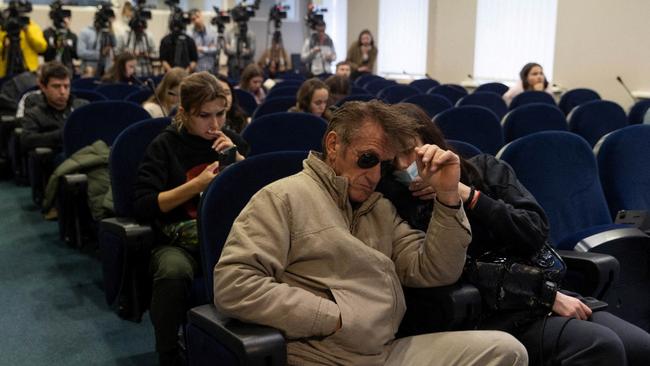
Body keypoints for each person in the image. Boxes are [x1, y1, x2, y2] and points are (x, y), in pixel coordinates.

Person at [214, 99, 527, 366]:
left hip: (384, 353)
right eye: (367, 160)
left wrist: (448, 198)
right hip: (323, 356)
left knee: (507, 351)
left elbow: (436, 271)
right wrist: (333, 317)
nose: (375, 175)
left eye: (384, 165)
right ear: (334, 145)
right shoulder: (282, 198)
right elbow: (235, 284)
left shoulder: (379, 208)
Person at [377, 102, 650, 366]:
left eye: (410, 151)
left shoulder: (484, 169)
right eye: (393, 161)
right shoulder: (397, 203)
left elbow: (534, 231)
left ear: (431, 142)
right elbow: (453, 270)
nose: (404, 166)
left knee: (641, 347)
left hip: (540, 289)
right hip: (487, 309)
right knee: (600, 346)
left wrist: (465, 194)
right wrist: (545, 296)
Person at [133, 72, 249, 366]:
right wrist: (195, 187)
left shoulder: (230, 141)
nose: (214, 124)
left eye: (220, 114)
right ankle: (169, 352)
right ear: (183, 113)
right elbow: (143, 204)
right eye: (204, 116)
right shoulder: (165, 146)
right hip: (178, 239)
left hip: (227, 236)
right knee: (173, 272)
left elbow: (260, 195)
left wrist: (238, 162)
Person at [20, 61, 88, 152]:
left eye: (66, 86)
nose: (62, 92)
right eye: (56, 86)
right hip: (56, 157)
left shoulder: (82, 107)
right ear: (43, 87)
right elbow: (27, 140)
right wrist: (60, 135)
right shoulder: (34, 114)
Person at [77, 6, 117, 77]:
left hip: (106, 71)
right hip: (90, 70)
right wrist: (100, 54)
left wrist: (111, 30)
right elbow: (80, 52)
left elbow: (115, 46)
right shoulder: (86, 32)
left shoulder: (109, 32)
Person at [42, 10, 78, 74]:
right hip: (50, 67)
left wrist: (66, 45)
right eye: (65, 19)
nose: (66, 21)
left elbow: (76, 56)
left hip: (67, 67)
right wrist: (54, 45)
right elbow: (42, 52)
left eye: (69, 19)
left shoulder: (72, 36)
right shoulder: (47, 33)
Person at [187, 9, 219, 73]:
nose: (196, 20)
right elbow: (191, 52)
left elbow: (216, 49)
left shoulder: (213, 31)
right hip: (196, 68)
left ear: (202, 16)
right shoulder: (189, 34)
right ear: (191, 21)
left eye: (198, 17)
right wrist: (209, 48)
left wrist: (201, 49)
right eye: (193, 19)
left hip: (211, 67)